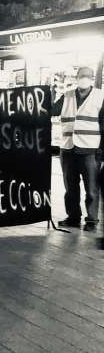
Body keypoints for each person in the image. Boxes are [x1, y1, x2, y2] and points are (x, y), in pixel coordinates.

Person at [52, 66, 104, 231]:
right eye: (81, 76)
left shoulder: (100, 97)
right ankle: (73, 217)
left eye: (87, 76)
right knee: (70, 188)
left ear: (92, 78)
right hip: (68, 149)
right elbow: (53, 110)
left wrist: (102, 152)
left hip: (90, 150)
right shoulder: (67, 95)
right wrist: (46, 94)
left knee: (91, 189)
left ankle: (91, 221)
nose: (84, 79)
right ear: (76, 77)